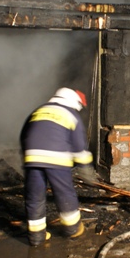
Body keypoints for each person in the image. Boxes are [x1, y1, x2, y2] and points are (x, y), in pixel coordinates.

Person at [20, 87, 96, 246]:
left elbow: (24, 135)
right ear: (74, 101)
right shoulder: (70, 114)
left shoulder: (39, 110)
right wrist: (85, 167)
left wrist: (27, 156)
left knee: (34, 197)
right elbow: (79, 146)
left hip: (32, 158)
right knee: (64, 192)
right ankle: (72, 229)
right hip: (57, 159)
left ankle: (36, 237)